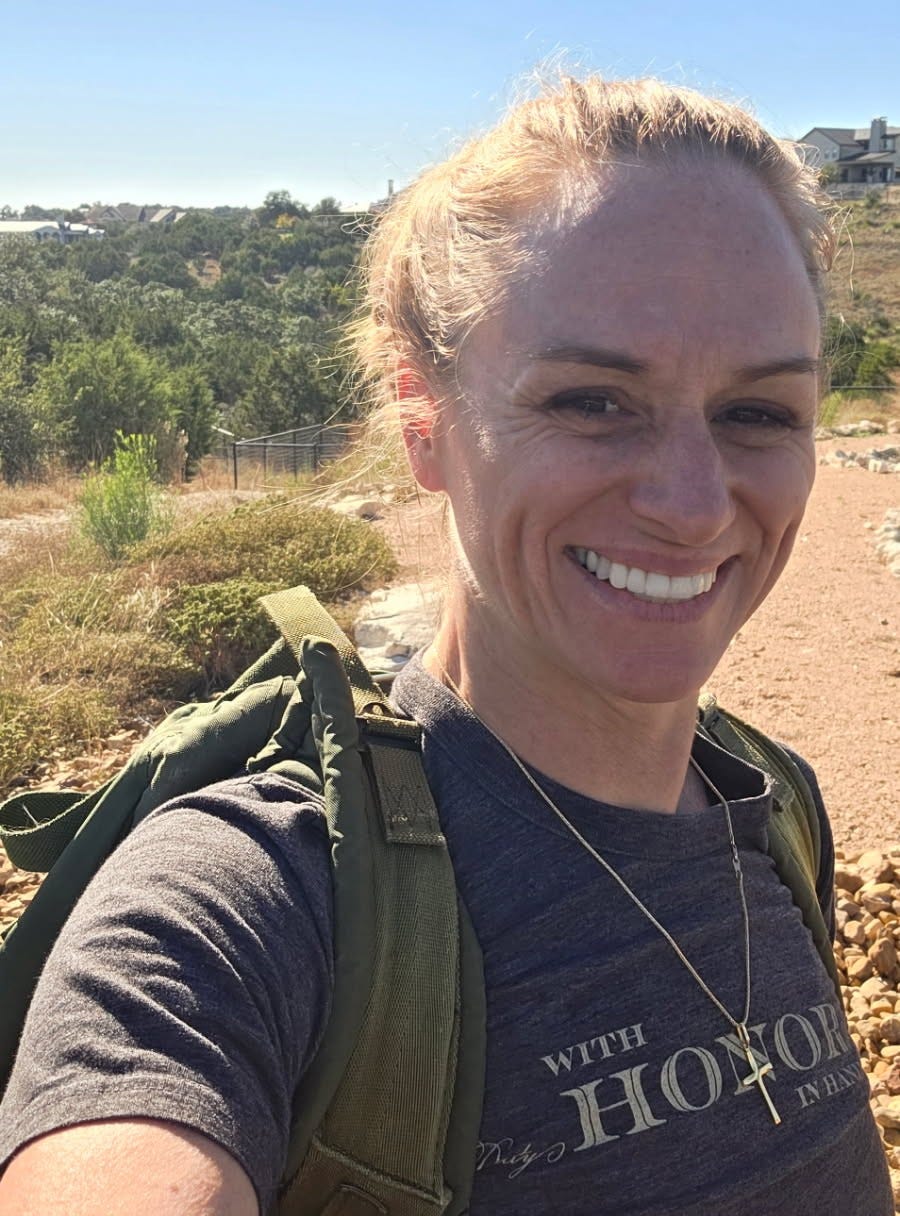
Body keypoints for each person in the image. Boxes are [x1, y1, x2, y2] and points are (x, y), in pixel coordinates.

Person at [0, 75, 892, 1215]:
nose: (692, 502)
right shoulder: (251, 904)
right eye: (592, 401)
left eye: (758, 413)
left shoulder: (772, 804)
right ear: (426, 423)